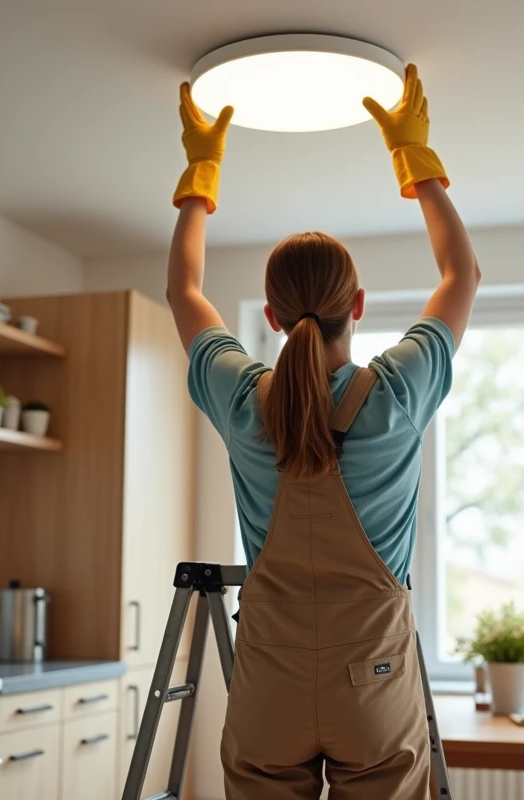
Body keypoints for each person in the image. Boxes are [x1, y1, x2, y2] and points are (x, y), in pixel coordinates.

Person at [165, 64, 480, 800]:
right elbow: (460, 274)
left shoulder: (244, 398)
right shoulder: (397, 391)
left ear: (271, 318)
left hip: (268, 684)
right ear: (359, 305)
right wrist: (415, 160)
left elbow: (184, 289)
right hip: (372, 685)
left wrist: (200, 173)